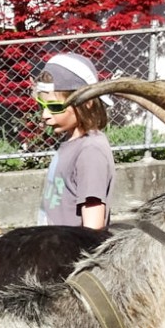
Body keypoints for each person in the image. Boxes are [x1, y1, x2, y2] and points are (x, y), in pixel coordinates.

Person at [35, 51, 112, 229]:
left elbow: (93, 230)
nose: (45, 115)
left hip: (72, 254)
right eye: (42, 106)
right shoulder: (72, 143)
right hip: (52, 250)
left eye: (54, 107)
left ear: (86, 102)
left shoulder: (91, 152)